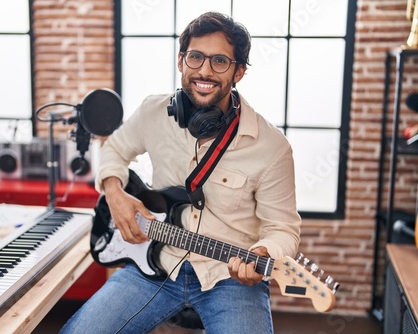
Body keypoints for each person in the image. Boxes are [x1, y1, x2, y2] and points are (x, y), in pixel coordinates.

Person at [60, 11, 301, 334]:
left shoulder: (272, 148)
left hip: (228, 279)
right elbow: (114, 149)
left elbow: (284, 230)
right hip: (156, 264)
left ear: (239, 72)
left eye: (220, 61)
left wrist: (263, 253)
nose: (204, 70)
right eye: (195, 57)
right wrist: (114, 193)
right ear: (180, 61)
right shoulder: (152, 112)